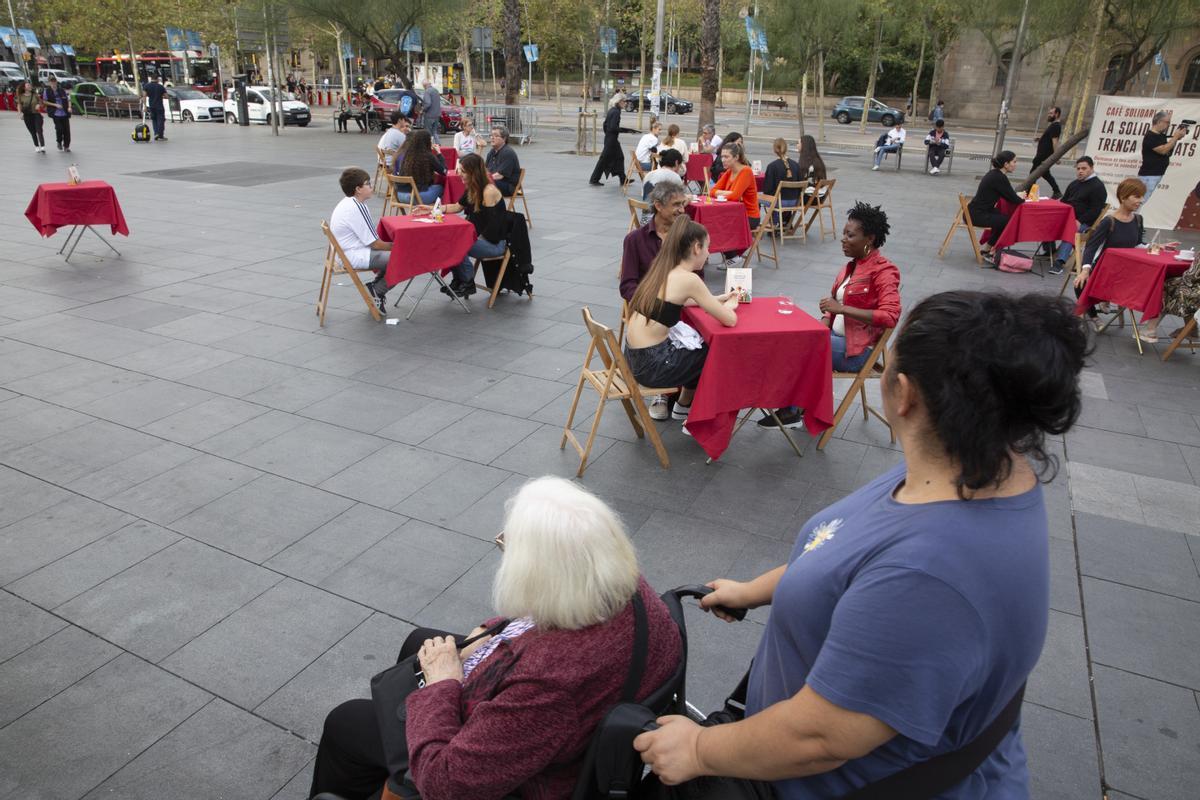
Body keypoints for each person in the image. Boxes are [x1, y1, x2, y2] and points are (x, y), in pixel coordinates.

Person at [636, 290, 1088, 800]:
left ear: (904, 393)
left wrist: (699, 750)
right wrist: (754, 591)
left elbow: (821, 736)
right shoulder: (964, 468)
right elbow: (846, 550)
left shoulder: (930, 575)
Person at [309, 476, 682, 800]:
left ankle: (387, 777)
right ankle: (391, 770)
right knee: (419, 642)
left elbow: (447, 784)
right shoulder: (619, 579)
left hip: (536, 779)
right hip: (582, 707)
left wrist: (442, 685)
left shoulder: (549, 685)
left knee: (347, 723)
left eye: (509, 547)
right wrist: (489, 636)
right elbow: (544, 612)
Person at [760, 202, 902, 430]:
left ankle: (793, 409)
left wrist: (841, 309)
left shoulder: (884, 271)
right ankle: (793, 405)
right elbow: (834, 305)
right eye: (844, 233)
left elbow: (890, 316)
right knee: (792, 334)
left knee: (798, 346)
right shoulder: (851, 266)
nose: (843, 239)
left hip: (856, 350)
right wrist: (824, 321)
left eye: (850, 235)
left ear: (870, 239)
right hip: (835, 340)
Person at [624, 217, 740, 428]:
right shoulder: (690, 279)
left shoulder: (662, 268)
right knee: (716, 353)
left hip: (633, 358)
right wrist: (731, 304)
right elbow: (729, 320)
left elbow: (680, 300)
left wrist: (718, 299)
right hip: (653, 367)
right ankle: (699, 417)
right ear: (696, 247)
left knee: (698, 347)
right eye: (708, 247)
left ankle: (684, 405)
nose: (708, 253)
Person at [621, 182, 691, 421]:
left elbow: (697, 277)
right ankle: (661, 392)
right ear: (658, 206)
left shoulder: (686, 237)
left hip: (683, 308)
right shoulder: (635, 240)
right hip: (650, 312)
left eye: (683, 203)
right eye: (676, 205)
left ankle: (688, 396)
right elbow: (627, 285)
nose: (682, 209)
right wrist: (655, 303)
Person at [417, 153, 504, 298]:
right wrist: (431, 208)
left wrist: (467, 237)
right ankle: (459, 279)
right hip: (479, 238)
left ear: (473, 172)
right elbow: (457, 207)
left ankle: (467, 281)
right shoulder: (473, 187)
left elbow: (493, 227)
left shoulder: (488, 191)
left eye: (463, 171)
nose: (459, 174)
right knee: (449, 240)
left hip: (494, 243)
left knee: (456, 243)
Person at [1074, 178, 1147, 334]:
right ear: (1123, 197)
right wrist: (1085, 270)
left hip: (1126, 271)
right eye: (1137, 196)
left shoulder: (1138, 220)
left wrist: (1155, 247)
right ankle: (1093, 316)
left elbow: (1138, 244)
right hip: (1105, 269)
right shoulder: (1109, 221)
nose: (1141, 200)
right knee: (1080, 283)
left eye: (1141, 196)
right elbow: (1091, 247)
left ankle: (1104, 300)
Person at [330, 167, 392, 317]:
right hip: (353, 255)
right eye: (368, 184)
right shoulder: (356, 206)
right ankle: (378, 290)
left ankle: (376, 288)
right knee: (405, 257)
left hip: (345, 253)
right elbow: (375, 244)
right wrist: (400, 245)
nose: (371, 186)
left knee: (398, 254)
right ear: (358, 189)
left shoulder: (349, 203)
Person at [1049, 156, 1109, 275]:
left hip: (1085, 223)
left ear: (1091, 168)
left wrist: (1080, 221)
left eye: (1084, 168)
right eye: (1078, 168)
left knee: (1072, 228)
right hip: (1068, 217)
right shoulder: (1074, 184)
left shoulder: (1098, 187)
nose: (1080, 171)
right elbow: (1064, 201)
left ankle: (1060, 262)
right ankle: (1049, 251)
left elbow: (1095, 210)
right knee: (1048, 220)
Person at [710, 141, 759, 268]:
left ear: (736, 157)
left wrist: (721, 192)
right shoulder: (729, 172)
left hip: (749, 216)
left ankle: (732, 257)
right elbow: (712, 191)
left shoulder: (746, 171)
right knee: (712, 221)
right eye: (722, 156)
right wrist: (726, 192)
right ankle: (731, 257)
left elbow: (735, 196)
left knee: (718, 224)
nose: (723, 160)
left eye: (727, 157)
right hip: (733, 213)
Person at [968, 151, 1024, 258]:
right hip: (976, 215)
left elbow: (1008, 194)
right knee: (1008, 221)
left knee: (1001, 216)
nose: (1015, 164)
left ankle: (988, 249)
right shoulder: (1000, 177)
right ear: (1006, 164)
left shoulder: (994, 174)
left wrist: (1016, 196)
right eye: (1014, 162)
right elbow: (1015, 199)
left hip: (974, 211)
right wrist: (1021, 197)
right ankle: (992, 250)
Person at [1138, 111, 1189, 202]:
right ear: (1159, 122)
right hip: (1149, 175)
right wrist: (1175, 137)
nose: (1168, 125)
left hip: (1157, 174)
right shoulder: (1150, 136)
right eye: (1167, 122)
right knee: (1139, 201)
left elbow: (1168, 152)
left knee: (1144, 201)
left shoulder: (1161, 136)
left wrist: (1176, 138)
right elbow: (1163, 150)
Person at [391, 128, 446, 206]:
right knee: (441, 188)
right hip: (415, 197)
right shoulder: (428, 156)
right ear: (428, 142)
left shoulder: (407, 155)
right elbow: (444, 171)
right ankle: (434, 212)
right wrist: (439, 154)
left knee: (432, 187)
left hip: (400, 195)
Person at [761, 138, 803, 227]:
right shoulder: (796, 165)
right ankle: (785, 220)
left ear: (774, 150)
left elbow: (768, 190)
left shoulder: (772, 166)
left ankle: (772, 221)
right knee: (775, 198)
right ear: (786, 149)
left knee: (756, 198)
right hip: (795, 201)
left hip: (779, 202)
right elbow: (801, 185)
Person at [589, 91, 629, 185]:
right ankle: (594, 179)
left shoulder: (613, 110)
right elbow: (612, 127)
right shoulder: (615, 112)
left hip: (611, 139)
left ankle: (623, 179)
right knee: (604, 160)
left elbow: (605, 125)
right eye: (624, 101)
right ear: (619, 102)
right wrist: (623, 130)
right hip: (611, 141)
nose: (625, 103)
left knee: (619, 157)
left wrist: (608, 134)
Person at [1030, 106, 1063, 198]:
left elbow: (1055, 142)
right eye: (1049, 113)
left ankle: (1027, 194)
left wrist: (1057, 156)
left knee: (1032, 175)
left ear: (1057, 114)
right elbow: (1049, 138)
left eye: (1051, 113)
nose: (1049, 115)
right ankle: (1056, 191)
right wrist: (1040, 139)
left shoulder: (1056, 126)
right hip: (1042, 154)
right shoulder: (1053, 125)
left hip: (1043, 155)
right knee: (1044, 173)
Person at [486, 126, 521, 196]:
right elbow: (485, 169)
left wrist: (483, 180)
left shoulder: (508, 152)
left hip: (508, 186)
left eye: (496, 135)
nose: (492, 138)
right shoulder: (492, 151)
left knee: (482, 185)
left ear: (504, 138)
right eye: (491, 135)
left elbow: (500, 175)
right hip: (495, 182)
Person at [41, 76, 71, 152]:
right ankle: (59, 141)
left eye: (54, 81)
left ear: (56, 82)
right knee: (59, 128)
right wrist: (55, 105)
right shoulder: (47, 91)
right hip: (55, 113)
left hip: (64, 112)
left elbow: (68, 99)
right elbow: (44, 101)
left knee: (66, 130)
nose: (53, 83)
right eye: (51, 82)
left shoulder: (61, 90)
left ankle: (66, 146)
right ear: (49, 83)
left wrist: (69, 107)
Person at [16, 81, 46, 153]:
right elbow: (19, 105)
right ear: (24, 88)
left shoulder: (35, 94)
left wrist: (39, 105)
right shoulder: (21, 96)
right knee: (32, 132)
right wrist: (20, 113)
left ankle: (42, 146)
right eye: (28, 85)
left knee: (39, 130)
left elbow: (42, 103)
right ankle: (36, 146)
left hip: (36, 114)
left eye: (30, 85)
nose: (30, 86)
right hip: (27, 116)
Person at [143, 74, 168, 141]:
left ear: (151, 79)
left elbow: (144, 96)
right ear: (157, 79)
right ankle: (160, 135)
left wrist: (145, 106)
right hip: (159, 106)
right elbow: (166, 96)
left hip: (152, 106)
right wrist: (161, 96)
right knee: (161, 120)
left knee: (154, 120)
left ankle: (156, 133)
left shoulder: (146, 86)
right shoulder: (161, 87)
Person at [420, 78, 442, 143]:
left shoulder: (427, 92)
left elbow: (428, 103)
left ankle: (429, 146)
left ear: (424, 85)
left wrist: (422, 110)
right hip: (437, 115)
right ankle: (438, 145)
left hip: (429, 115)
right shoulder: (436, 91)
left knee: (428, 133)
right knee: (435, 132)